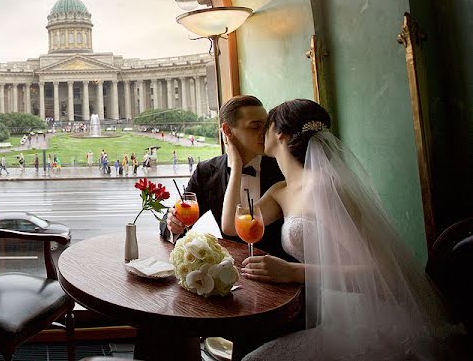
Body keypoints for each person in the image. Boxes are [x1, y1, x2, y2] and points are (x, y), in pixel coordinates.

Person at [224, 99, 465, 360]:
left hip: (368, 319)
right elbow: (231, 225)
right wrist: (235, 164)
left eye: (265, 127)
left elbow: (383, 274)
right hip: (334, 316)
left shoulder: (325, 189)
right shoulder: (280, 191)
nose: (260, 134)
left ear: (280, 135)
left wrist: (293, 271)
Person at [161, 96, 289, 260]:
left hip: (279, 269)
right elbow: (177, 215)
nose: (264, 133)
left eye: (266, 126)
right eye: (256, 127)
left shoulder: (282, 168)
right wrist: (173, 224)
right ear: (228, 131)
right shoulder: (206, 171)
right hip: (231, 270)